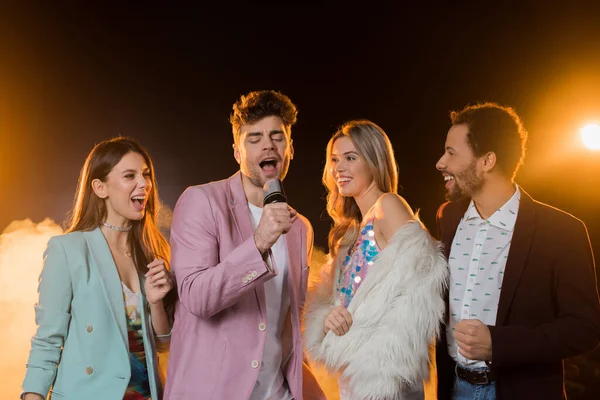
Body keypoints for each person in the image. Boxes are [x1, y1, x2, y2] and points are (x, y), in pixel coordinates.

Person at [164, 90, 326, 399]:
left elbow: (289, 326)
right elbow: (197, 298)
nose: (268, 144)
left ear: (290, 148)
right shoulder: (202, 202)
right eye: (254, 138)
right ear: (237, 152)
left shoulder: (299, 227)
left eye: (277, 136)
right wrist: (260, 242)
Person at [434, 103, 600, 400]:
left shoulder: (562, 231)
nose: (440, 163)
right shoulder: (448, 217)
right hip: (454, 389)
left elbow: (585, 328)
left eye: (451, 153)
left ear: (487, 161)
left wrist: (499, 344)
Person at [303, 120, 448, 400]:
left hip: (386, 381)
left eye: (350, 158)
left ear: (375, 161)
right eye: (334, 160)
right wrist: (328, 318)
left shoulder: (388, 205)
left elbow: (421, 289)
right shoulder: (348, 233)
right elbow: (336, 303)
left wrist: (379, 365)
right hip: (353, 380)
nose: (339, 168)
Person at [21, 137, 176, 400]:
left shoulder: (151, 253)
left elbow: (163, 345)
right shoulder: (68, 249)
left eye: (146, 174)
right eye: (130, 175)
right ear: (100, 187)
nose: (144, 183)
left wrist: (156, 303)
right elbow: (48, 340)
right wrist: (32, 395)